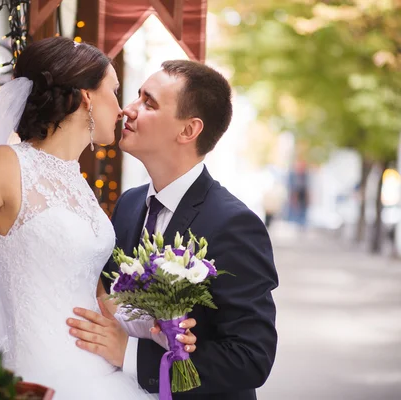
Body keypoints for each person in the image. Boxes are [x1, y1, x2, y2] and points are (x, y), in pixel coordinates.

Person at [0, 37, 197, 399]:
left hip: (101, 373)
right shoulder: (5, 164)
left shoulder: (76, 181)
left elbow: (90, 291)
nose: (123, 108)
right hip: (41, 376)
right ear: (86, 97)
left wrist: (151, 324)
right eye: (115, 90)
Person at [86, 61, 278, 399]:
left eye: (149, 102)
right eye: (136, 97)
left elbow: (251, 358)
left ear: (188, 131)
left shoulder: (234, 225)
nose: (128, 110)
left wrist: (130, 354)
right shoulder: (129, 205)